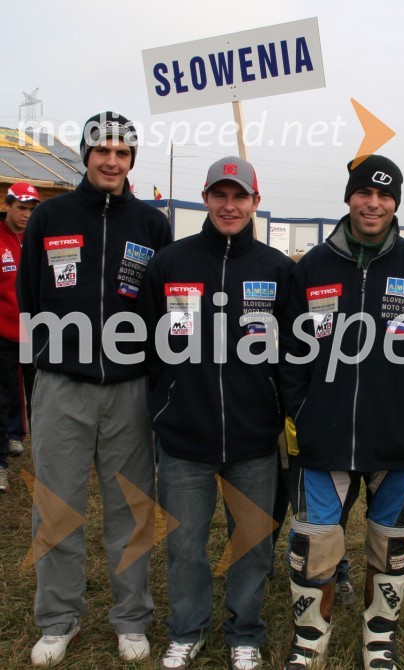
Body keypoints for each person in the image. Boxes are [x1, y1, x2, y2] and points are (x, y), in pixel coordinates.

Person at [279, 154, 404, 669]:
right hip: (323, 438)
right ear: (349, 197)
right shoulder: (311, 268)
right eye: (364, 193)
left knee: (391, 545)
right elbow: (286, 352)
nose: (373, 203)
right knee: (313, 542)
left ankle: (378, 640)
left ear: (396, 202)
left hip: (397, 440)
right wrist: (302, 407)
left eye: (384, 195)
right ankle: (310, 639)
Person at [17, 112, 172, 666]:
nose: (111, 160)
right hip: (63, 385)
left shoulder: (152, 225)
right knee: (57, 506)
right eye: (102, 150)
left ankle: (131, 617)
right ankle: (58, 619)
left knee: (130, 507)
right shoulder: (51, 215)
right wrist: (47, 364)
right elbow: (31, 297)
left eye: (123, 153)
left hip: (130, 388)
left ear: (132, 161)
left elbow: (163, 307)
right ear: (86, 154)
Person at [137, 156, 293, 670]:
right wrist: (168, 400)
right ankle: (187, 628)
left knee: (251, 545)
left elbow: (294, 352)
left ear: (255, 201)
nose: (230, 205)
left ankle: (245, 631)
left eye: (240, 196)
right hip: (185, 439)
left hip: (254, 438)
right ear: (205, 198)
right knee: (185, 546)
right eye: (220, 195)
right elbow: (145, 343)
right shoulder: (170, 263)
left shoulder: (278, 270)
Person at [0, 182, 40, 491]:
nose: (26, 214)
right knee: (2, 398)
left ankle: (46, 462)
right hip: (3, 334)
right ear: (8, 205)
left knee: (41, 400)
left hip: (37, 335)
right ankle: (1, 463)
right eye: (21, 207)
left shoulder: (38, 241)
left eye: (31, 209)